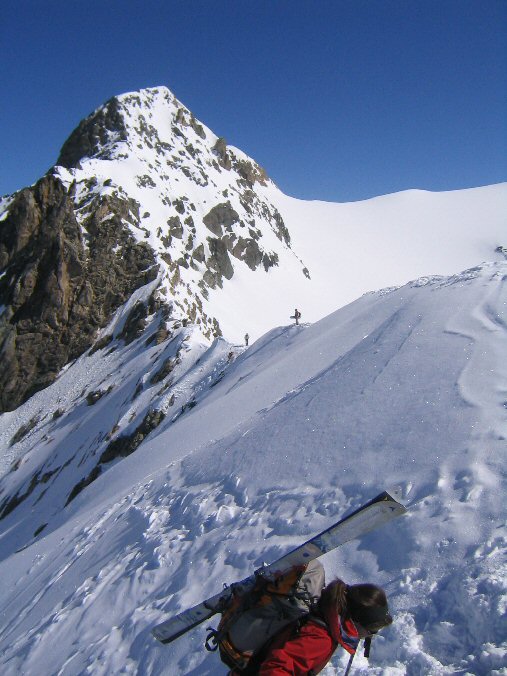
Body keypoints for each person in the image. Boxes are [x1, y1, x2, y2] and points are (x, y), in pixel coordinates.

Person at [244, 578, 392, 675]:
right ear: (356, 621)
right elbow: (276, 669)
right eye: (372, 630)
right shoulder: (321, 638)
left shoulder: (325, 608)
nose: (370, 635)